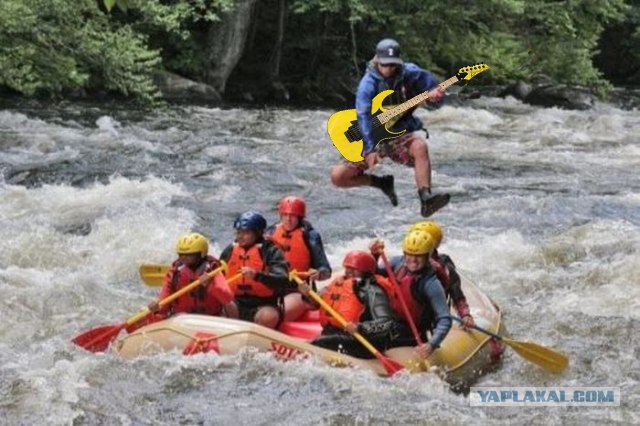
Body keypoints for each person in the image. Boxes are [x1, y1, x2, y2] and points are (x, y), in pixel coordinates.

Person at [330, 38, 450, 217]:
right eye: (385, 65)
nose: (389, 69)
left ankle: (426, 198)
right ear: (377, 61)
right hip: (371, 136)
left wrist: (436, 98)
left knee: (420, 147)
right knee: (338, 177)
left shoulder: (413, 74)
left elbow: (436, 102)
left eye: (393, 65)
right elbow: (363, 116)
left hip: (398, 133)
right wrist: (370, 149)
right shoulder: (368, 83)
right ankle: (382, 183)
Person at [300, 250, 399, 359]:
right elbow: (316, 304)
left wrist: (360, 328)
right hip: (334, 335)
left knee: (321, 342)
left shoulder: (373, 291)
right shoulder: (339, 283)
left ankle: (300, 352)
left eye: (354, 270)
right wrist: (308, 294)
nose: (349, 272)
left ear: (366, 272)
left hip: (362, 341)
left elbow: (386, 323)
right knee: (326, 340)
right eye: (347, 268)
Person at [373, 230, 452, 359]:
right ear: (404, 254)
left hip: (412, 332)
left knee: (377, 331)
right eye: (410, 254)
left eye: (419, 256)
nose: (413, 260)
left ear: (428, 256)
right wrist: (375, 255)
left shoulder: (431, 284)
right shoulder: (398, 263)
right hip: (390, 321)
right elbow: (374, 274)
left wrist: (431, 344)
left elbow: (445, 319)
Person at [265, 196, 332, 321]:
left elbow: (326, 270)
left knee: (275, 315)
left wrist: (318, 274)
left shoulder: (310, 236)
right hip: (272, 287)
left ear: (300, 218)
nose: (288, 219)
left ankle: (308, 303)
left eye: (293, 216)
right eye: (285, 215)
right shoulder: (271, 231)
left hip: (297, 290)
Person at [220, 211, 290, 329]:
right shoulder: (230, 250)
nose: (240, 236)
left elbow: (283, 279)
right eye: (238, 232)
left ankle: (259, 336)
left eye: (246, 233)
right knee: (218, 305)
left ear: (258, 233)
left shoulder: (270, 251)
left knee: (268, 317)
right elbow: (218, 275)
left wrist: (257, 276)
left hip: (263, 304)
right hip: (236, 303)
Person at [148, 232, 235, 318]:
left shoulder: (213, 271)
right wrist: (157, 307)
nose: (184, 257)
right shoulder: (174, 273)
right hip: (182, 319)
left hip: (211, 318)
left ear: (201, 254)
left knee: (231, 305)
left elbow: (228, 300)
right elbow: (164, 301)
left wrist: (210, 286)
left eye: (189, 255)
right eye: (181, 254)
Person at [408, 221, 474, 329]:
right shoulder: (404, 262)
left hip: (433, 318)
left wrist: (465, 315)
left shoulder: (444, 265)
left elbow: (456, 292)